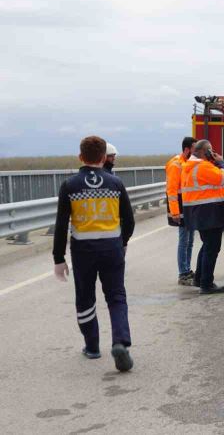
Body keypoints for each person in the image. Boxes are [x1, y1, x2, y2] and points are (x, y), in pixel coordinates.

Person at [52, 136, 135, 372]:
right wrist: (123, 243)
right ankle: (120, 343)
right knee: (116, 297)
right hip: (112, 248)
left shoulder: (69, 185)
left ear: (81, 157)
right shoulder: (115, 183)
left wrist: (58, 258)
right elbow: (128, 221)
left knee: (85, 298)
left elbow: (60, 225)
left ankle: (92, 347)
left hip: (83, 251)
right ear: (103, 157)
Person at [181, 139, 224, 294]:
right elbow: (222, 178)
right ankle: (206, 284)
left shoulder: (191, 166)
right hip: (209, 212)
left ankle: (199, 278)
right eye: (211, 150)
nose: (213, 153)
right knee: (212, 248)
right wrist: (222, 163)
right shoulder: (202, 166)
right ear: (204, 152)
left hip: (199, 212)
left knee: (207, 245)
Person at [166, 137, 197, 286]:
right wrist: (175, 212)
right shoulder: (176, 164)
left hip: (188, 206)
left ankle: (187, 269)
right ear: (187, 149)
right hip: (179, 206)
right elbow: (171, 191)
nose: (195, 152)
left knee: (190, 241)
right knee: (184, 240)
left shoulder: (186, 163)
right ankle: (183, 273)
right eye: (194, 149)